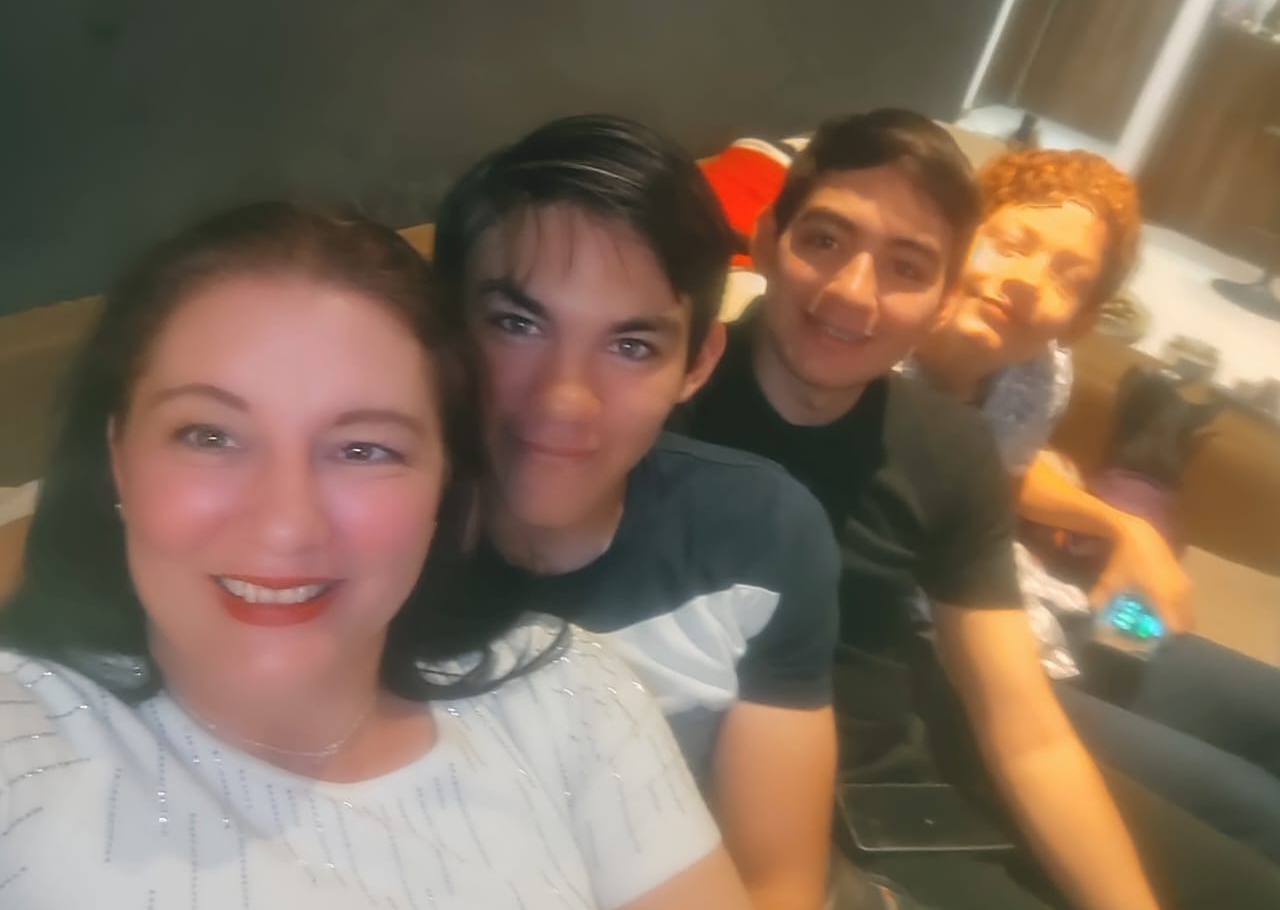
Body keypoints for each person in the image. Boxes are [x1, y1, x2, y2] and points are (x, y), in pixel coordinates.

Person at [0, 203, 751, 909]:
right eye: (209, 436)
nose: (285, 524)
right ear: (117, 460)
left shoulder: (570, 696)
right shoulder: (22, 741)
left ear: (444, 486)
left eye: (363, 449)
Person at [678, 107, 1280, 910]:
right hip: (848, 795)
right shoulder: (663, 406)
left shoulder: (966, 429)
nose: (854, 291)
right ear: (767, 237)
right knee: (1247, 810)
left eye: (906, 265)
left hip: (1002, 674)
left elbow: (1024, 727)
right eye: (824, 240)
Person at [432, 115, 855, 910]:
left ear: (698, 363)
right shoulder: (368, 554)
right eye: (518, 324)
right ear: (447, 328)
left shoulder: (761, 540)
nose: (564, 399)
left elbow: (774, 884)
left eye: (631, 346)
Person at [906, 148, 1280, 864]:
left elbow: (1003, 476)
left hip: (1050, 603)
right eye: (1011, 242)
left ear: (1079, 321)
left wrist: (1126, 528)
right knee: (1255, 808)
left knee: (1257, 701)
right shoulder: (875, 349)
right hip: (961, 663)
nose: (1027, 278)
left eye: (1066, 278)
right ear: (960, 232)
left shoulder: (1038, 371)